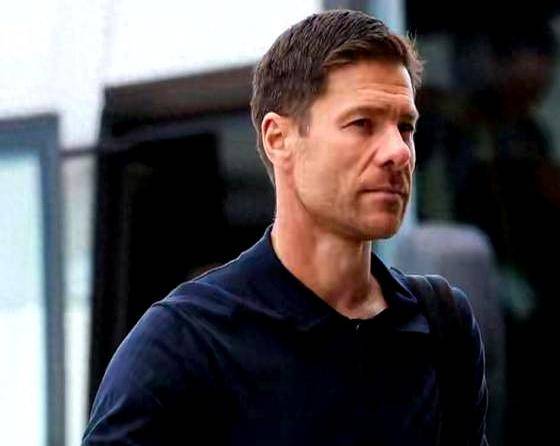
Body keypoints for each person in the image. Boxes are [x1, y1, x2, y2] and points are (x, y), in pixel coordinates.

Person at [83, 9, 488, 445]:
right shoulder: (184, 342)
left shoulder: (442, 327)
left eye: (405, 127)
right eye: (362, 124)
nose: (399, 152)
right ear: (278, 139)